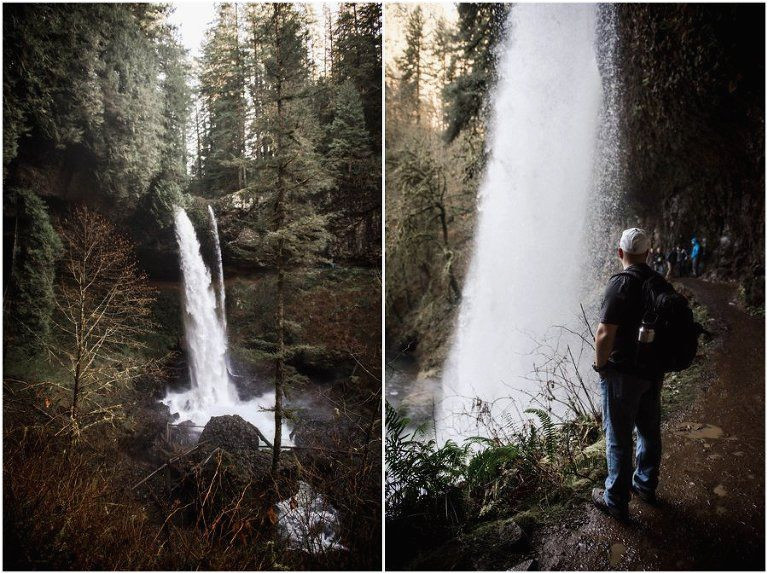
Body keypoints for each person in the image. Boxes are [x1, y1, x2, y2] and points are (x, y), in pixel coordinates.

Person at [591, 228, 663, 522]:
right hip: (653, 371)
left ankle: (616, 501)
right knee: (649, 430)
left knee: (618, 438)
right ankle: (645, 485)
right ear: (648, 253)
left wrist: (602, 367)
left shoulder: (620, 284)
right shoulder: (657, 282)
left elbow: (604, 333)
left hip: (622, 374)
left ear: (619, 253)